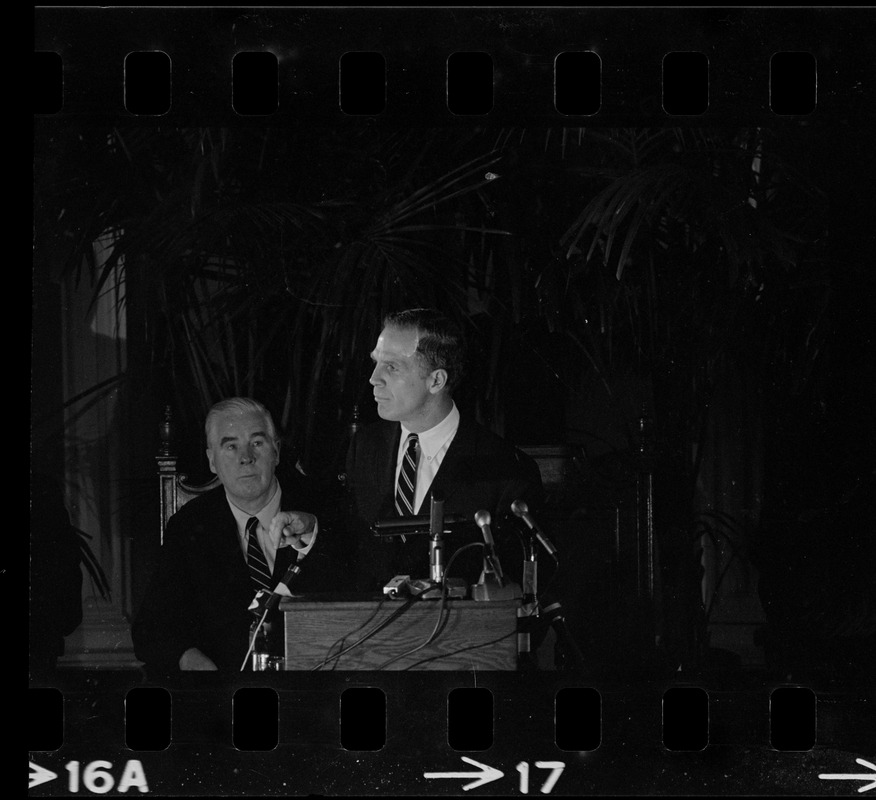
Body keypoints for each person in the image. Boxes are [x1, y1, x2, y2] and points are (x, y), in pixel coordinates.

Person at [343, 308, 544, 594]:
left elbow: (517, 595)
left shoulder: (506, 468)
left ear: (436, 381)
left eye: (392, 367)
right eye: (376, 363)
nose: (374, 378)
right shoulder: (364, 447)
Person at [132, 397, 321, 674]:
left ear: (276, 452)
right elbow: (152, 629)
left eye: (257, 443)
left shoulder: (320, 511)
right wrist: (190, 660)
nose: (246, 457)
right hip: (223, 697)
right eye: (231, 446)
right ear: (212, 461)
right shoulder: (188, 526)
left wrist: (313, 529)